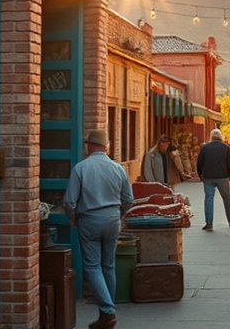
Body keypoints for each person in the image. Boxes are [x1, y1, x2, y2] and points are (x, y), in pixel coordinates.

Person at [64, 129, 133, 329]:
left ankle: (108, 311)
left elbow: (69, 201)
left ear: (89, 145)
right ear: (106, 146)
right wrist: (118, 215)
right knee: (108, 265)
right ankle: (106, 313)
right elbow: (128, 199)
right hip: (112, 218)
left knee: (93, 266)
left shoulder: (81, 168)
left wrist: (73, 217)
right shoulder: (118, 168)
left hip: (90, 219)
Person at [196, 128, 230, 230]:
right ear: (220, 137)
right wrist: (229, 175)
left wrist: (200, 174)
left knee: (209, 199)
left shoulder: (204, 148)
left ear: (211, 137)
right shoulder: (226, 148)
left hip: (208, 177)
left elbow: (199, 163)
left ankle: (209, 223)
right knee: (226, 198)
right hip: (222, 177)